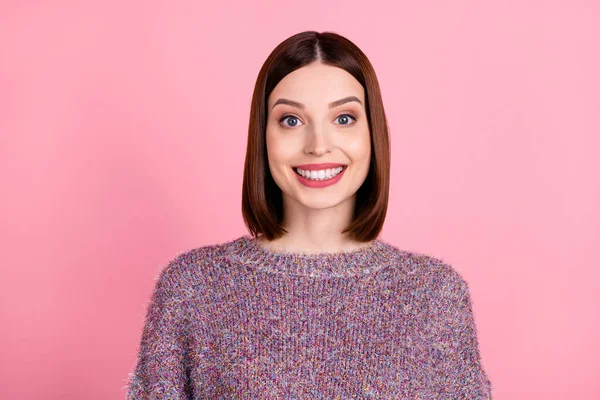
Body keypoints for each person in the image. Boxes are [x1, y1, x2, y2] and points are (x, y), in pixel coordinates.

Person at [126, 30, 493, 399]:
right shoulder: (194, 288)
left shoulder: (433, 294)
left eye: (344, 118)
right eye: (291, 120)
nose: (318, 145)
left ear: (373, 132)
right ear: (263, 135)